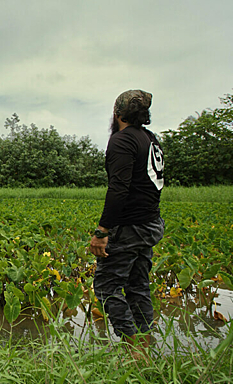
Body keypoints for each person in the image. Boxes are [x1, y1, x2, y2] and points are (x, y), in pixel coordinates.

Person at [89, 89, 165, 360]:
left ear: (117, 114)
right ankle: (145, 341)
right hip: (150, 223)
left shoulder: (122, 140)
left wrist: (102, 231)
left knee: (106, 287)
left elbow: (118, 189)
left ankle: (134, 348)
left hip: (131, 226)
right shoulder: (150, 139)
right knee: (137, 284)